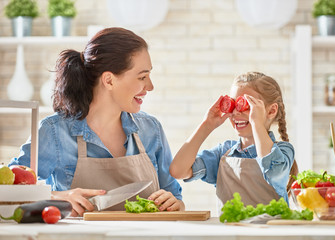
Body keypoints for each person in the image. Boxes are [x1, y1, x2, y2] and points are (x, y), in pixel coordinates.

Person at [9, 27, 184, 216]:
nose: (150, 86)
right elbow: (9, 190)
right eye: (142, 77)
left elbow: (177, 200)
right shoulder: (54, 131)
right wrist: (56, 197)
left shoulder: (151, 130)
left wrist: (174, 203)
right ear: (109, 80)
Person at [170, 72, 297, 212]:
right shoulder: (223, 153)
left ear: (271, 111)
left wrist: (257, 124)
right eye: (233, 105)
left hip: (271, 232)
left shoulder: (284, 151)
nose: (236, 113)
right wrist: (207, 124)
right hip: (231, 232)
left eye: (246, 105)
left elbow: (274, 171)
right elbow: (178, 171)